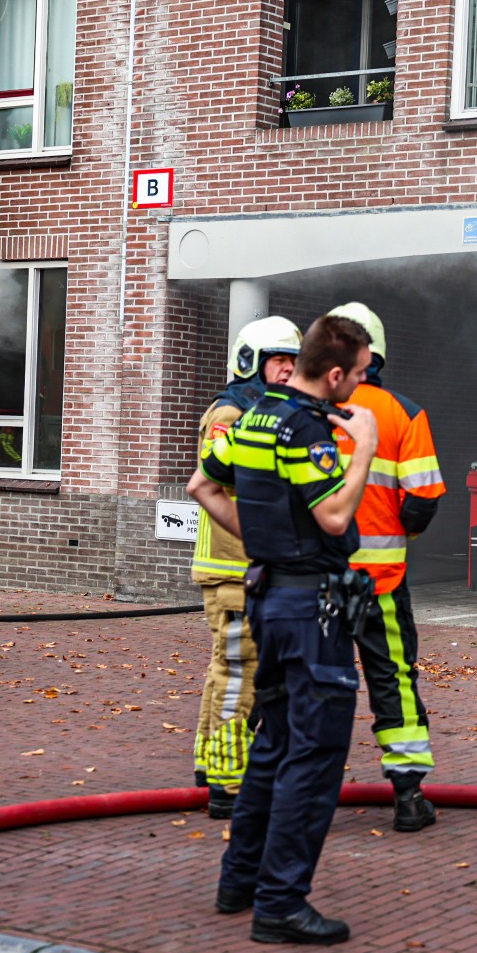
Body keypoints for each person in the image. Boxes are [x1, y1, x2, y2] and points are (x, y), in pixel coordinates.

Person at [187, 314, 378, 945]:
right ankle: (281, 902)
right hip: (309, 611)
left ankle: (238, 881)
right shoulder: (304, 428)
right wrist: (364, 447)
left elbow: (203, 485)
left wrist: (263, 541)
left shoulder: (252, 418)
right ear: (333, 374)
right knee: (313, 756)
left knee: (271, 743)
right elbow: (334, 516)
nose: (361, 384)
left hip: (270, 599)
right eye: (359, 373)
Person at [326, 302, 445, 832]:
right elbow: (422, 500)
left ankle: (294, 790)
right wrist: (398, 534)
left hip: (316, 583)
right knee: (393, 680)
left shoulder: (305, 409)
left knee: (308, 679)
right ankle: (409, 797)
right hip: (383, 583)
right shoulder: (404, 413)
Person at [191, 316, 303, 820]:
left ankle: (209, 764)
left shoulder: (263, 412)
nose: (288, 370)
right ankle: (229, 782)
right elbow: (226, 476)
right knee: (240, 674)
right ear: (249, 363)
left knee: (227, 668)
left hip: (248, 568)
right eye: (278, 361)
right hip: (233, 567)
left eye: (294, 361)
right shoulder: (231, 413)